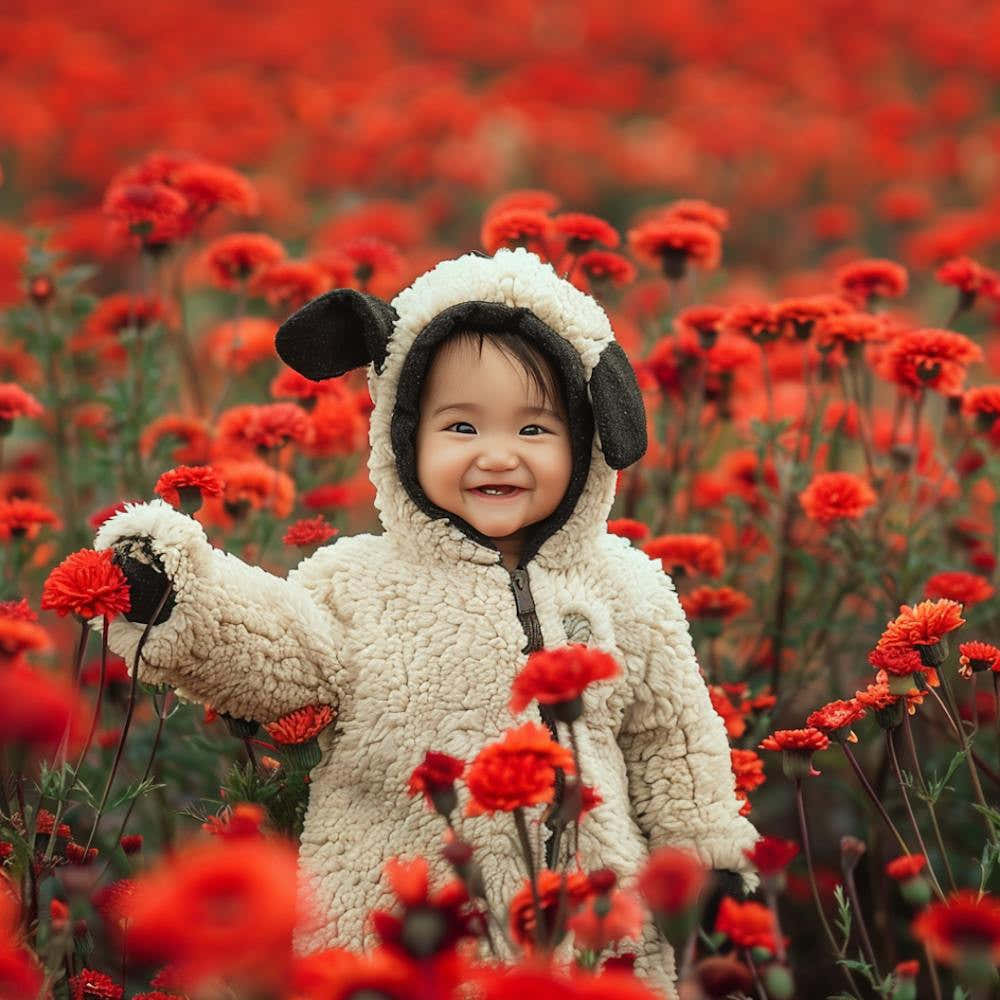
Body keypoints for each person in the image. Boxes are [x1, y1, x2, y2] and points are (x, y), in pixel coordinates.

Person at [94, 248, 758, 996]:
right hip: (400, 934)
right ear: (404, 434)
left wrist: (709, 860)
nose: (497, 456)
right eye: (461, 426)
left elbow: (674, 741)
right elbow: (278, 649)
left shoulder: (627, 588)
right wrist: (181, 595)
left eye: (535, 430)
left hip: (595, 942)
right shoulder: (360, 583)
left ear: (591, 434)